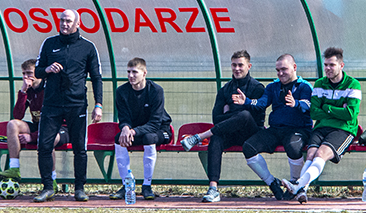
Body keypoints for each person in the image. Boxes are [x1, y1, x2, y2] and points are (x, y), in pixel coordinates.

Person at [33, 9, 103, 202]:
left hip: (77, 104)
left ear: (77, 24)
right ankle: (48, 187)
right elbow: (37, 72)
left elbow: (97, 77)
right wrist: (47, 69)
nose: (65, 24)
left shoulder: (87, 47)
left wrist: (99, 104)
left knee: (80, 148)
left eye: (69, 21)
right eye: (62, 20)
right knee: (44, 145)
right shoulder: (49, 43)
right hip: (52, 104)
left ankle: (80, 189)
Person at [180, 50, 265, 202]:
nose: (237, 69)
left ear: (249, 66)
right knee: (217, 138)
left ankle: (199, 137)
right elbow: (216, 118)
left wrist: (232, 111)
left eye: (240, 65)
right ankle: (213, 188)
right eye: (234, 65)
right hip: (231, 133)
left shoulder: (257, 88)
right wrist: (237, 114)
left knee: (245, 116)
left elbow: (256, 117)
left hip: (252, 134)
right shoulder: (225, 90)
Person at [282, 48, 361, 203]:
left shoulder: (353, 84)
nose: (328, 69)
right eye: (325, 65)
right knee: (310, 155)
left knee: (320, 154)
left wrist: (326, 107)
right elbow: (314, 113)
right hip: (321, 127)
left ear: (341, 65)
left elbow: (350, 114)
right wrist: (337, 109)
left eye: (331, 65)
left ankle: (298, 185)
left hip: (344, 129)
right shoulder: (319, 84)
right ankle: (301, 190)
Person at [232, 53, 313, 199]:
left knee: (293, 146)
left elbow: (308, 105)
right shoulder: (273, 87)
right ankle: (272, 182)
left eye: (284, 69)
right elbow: (262, 103)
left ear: (294, 67)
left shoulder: (304, 86)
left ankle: (297, 186)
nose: (280, 73)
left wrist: (296, 104)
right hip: (276, 129)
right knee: (248, 147)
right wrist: (248, 101)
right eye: (278, 70)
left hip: (299, 129)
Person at [0, 59, 69, 185]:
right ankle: (14, 168)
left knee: (48, 138)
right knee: (13, 124)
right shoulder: (28, 91)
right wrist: (23, 92)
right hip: (40, 127)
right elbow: (17, 115)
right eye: (23, 74)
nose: (26, 77)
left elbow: (54, 121)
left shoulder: (49, 88)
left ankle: (52, 180)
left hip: (59, 128)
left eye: (29, 73)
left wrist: (32, 137)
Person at [108, 57, 172, 201]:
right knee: (119, 139)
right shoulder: (121, 91)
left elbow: (155, 123)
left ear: (144, 73)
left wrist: (132, 131)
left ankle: (147, 186)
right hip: (135, 130)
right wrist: (125, 128)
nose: (131, 76)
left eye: (134, 72)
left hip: (160, 130)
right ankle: (126, 185)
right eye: (128, 72)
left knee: (149, 138)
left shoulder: (156, 90)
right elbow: (123, 117)